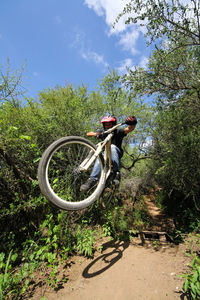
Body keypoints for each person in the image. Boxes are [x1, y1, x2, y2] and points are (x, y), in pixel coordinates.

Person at [80, 114, 137, 192]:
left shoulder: (118, 131)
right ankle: (92, 180)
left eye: (109, 124)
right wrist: (96, 134)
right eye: (106, 124)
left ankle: (117, 174)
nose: (107, 126)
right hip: (105, 155)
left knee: (112, 146)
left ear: (113, 124)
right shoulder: (103, 132)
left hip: (116, 153)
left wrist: (133, 122)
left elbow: (129, 129)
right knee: (99, 155)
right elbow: (88, 133)